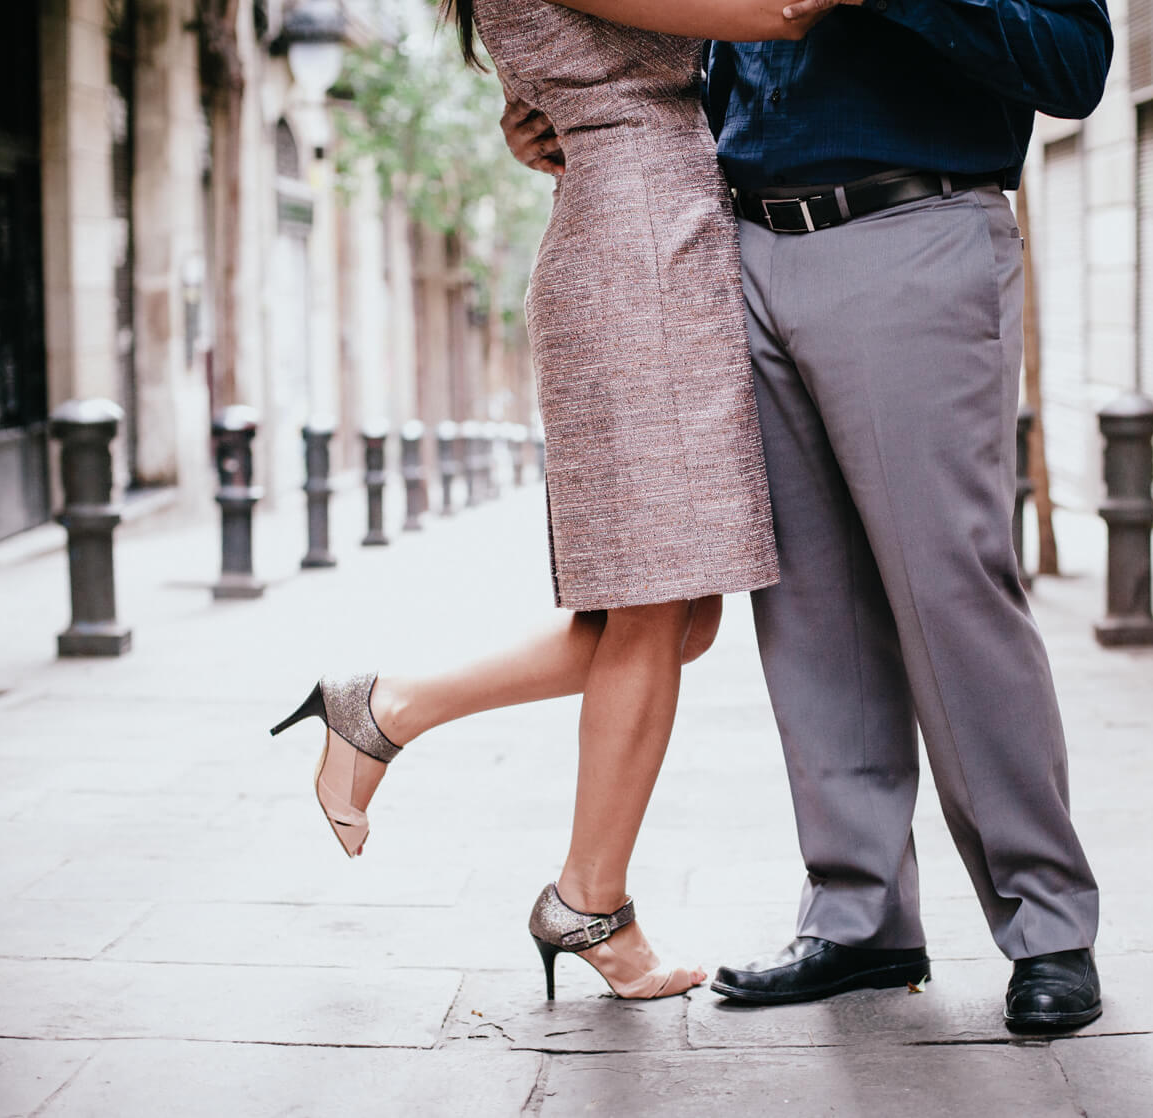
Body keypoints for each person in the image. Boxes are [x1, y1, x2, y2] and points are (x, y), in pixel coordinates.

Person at [505, 0, 1113, 1033]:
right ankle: (861, 918)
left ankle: (1047, 922)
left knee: (951, 590)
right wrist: (568, 117)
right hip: (741, 247)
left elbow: (1074, 63)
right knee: (808, 608)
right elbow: (716, 68)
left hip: (913, 230)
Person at [271, 0, 823, 1003]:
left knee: (676, 619)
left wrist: (554, 108)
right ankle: (590, 900)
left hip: (657, 244)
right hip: (637, 267)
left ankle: (386, 706)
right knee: (654, 609)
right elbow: (783, 14)